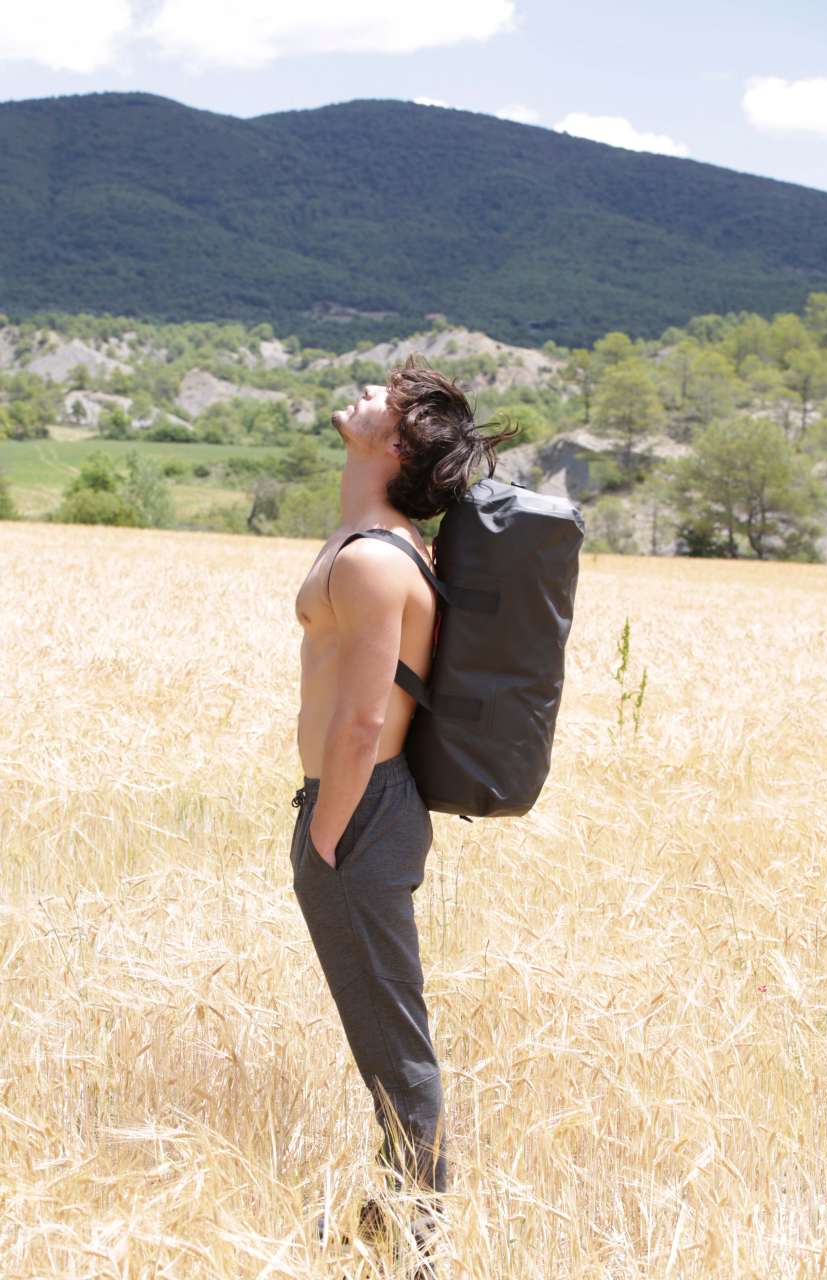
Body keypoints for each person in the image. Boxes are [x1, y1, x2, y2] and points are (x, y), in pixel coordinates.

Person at [288, 353, 518, 1262]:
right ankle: (387, 1227)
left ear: (396, 445)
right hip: (358, 809)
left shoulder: (372, 564)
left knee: (394, 1046)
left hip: (361, 812)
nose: (365, 394)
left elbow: (361, 721)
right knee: (383, 1037)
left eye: (384, 400)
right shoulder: (368, 543)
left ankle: (414, 1250)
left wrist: (326, 833)